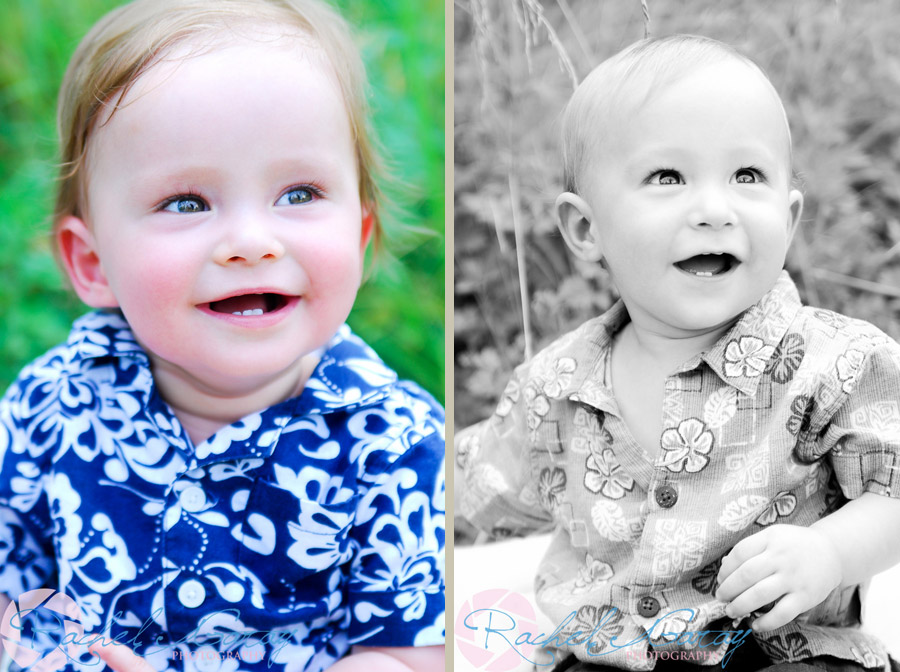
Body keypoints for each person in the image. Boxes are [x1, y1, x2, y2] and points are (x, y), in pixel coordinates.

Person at [0, 0, 445, 670]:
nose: (249, 242)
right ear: (94, 265)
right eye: (186, 203)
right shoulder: (51, 410)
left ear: (359, 233)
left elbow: (407, 654)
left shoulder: (392, 440)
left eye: (298, 194)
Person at [456, 34, 900, 671]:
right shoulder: (556, 385)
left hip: (785, 648)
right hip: (613, 655)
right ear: (586, 229)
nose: (715, 210)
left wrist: (828, 552)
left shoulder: (836, 364)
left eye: (747, 176)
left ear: (789, 215)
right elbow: (465, 485)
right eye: (668, 176)